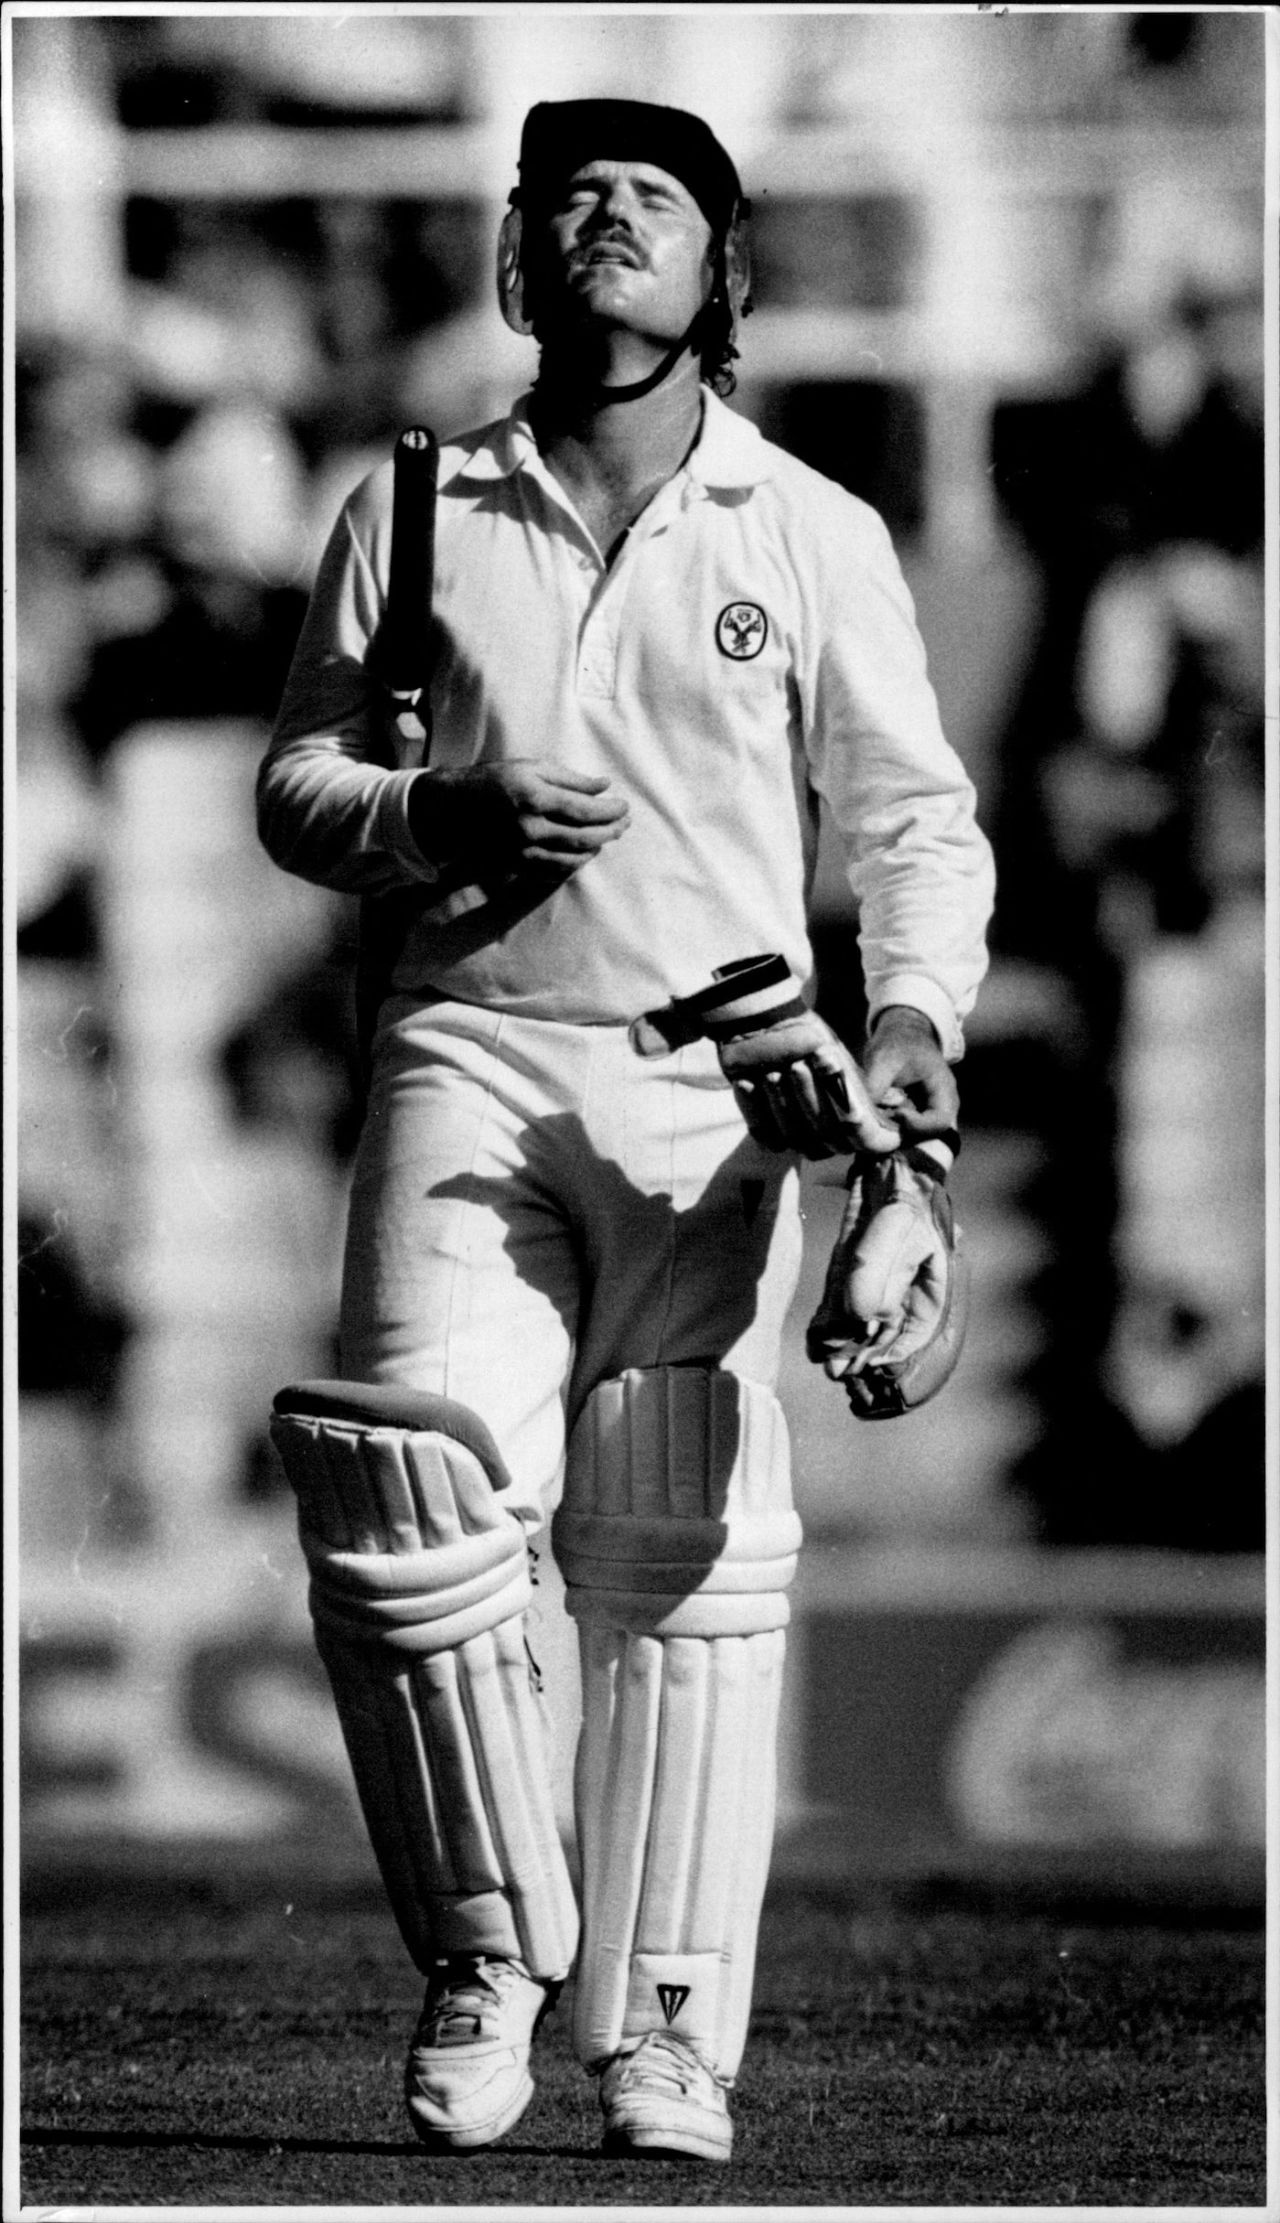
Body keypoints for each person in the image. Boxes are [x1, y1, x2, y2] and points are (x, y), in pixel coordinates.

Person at [258, 98, 994, 2165]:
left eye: (651, 199)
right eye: (568, 198)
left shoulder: (805, 526)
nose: (605, 222)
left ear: (718, 272)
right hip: (472, 1042)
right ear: (518, 254)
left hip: (717, 1082)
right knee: (413, 1492)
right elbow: (298, 786)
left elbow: (915, 826)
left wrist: (909, 1051)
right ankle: (492, 1956)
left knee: (679, 1535)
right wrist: (435, 815)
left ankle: (662, 2028)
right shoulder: (414, 506)